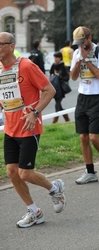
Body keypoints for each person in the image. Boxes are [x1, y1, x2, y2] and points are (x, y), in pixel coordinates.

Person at [0, 32, 66, 227]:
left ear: (11, 46)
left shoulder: (27, 66)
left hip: (29, 128)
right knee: (12, 172)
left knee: (25, 173)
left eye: (0, 44)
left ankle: (55, 188)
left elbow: (50, 90)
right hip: (10, 129)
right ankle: (34, 211)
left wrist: (35, 112)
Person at [70, 26, 99, 184]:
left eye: (83, 42)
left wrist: (87, 60)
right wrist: (78, 61)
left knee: (94, 137)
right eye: (78, 44)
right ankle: (90, 172)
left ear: (89, 38)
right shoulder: (77, 53)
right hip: (83, 97)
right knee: (83, 137)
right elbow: (74, 77)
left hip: (97, 97)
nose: (81, 46)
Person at [49, 51, 70, 123]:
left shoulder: (63, 66)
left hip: (61, 88)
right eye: (54, 57)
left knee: (57, 105)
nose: (55, 59)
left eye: (57, 57)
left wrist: (59, 76)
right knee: (59, 106)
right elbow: (51, 74)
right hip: (54, 87)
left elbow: (67, 77)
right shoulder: (53, 65)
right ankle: (67, 119)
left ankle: (54, 122)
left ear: (60, 58)